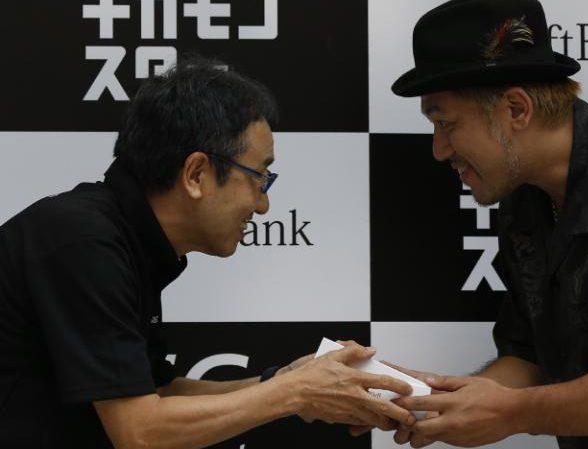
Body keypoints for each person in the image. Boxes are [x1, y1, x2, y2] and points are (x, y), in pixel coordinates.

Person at [0, 56, 415, 448]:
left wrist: (285, 379)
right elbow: (139, 432)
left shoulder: (121, 238)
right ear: (196, 173)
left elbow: (160, 393)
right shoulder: (84, 240)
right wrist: (296, 392)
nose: (263, 205)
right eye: (259, 178)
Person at [385, 0, 588, 447]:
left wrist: (509, 414)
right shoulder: (524, 194)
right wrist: (431, 403)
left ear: (516, 110)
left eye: (445, 123)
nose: (439, 150)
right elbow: (529, 357)